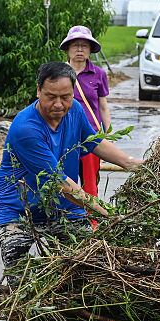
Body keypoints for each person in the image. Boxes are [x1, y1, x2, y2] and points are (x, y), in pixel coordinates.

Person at [0, 61, 141, 268]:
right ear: (38, 91)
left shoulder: (75, 111)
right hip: (19, 210)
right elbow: (59, 183)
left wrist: (132, 164)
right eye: (51, 97)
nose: (59, 105)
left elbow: (94, 142)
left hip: (65, 208)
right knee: (21, 280)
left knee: (86, 269)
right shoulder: (25, 129)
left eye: (65, 97)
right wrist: (107, 213)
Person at [60, 26, 111, 198]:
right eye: (75, 45)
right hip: (63, 135)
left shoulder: (99, 74)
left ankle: (93, 222)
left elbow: (103, 106)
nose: (80, 49)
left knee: (90, 184)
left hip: (91, 136)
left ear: (90, 50)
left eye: (84, 46)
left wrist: (107, 136)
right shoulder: (57, 73)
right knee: (64, 181)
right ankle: (67, 219)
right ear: (68, 49)